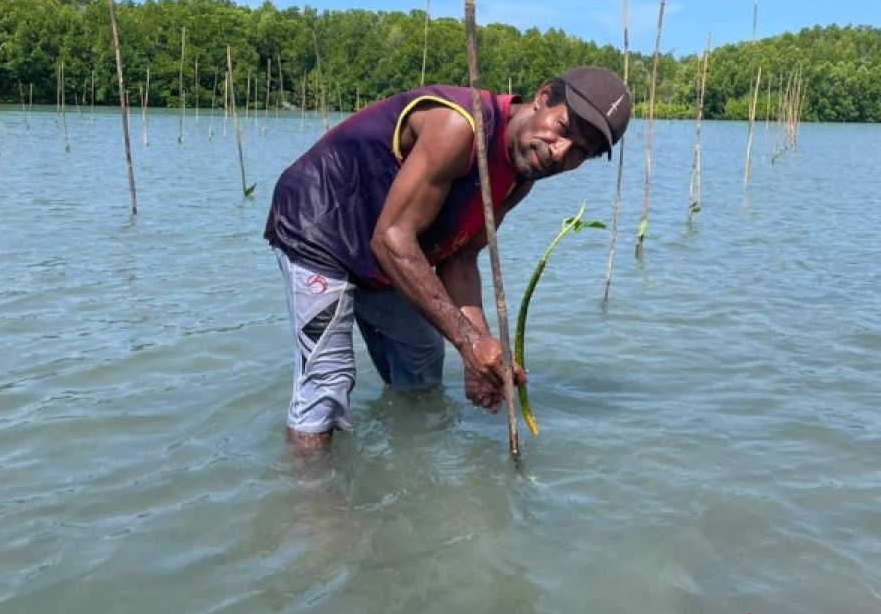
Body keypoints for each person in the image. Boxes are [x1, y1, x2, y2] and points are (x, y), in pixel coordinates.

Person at [264, 66, 631, 446]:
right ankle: (313, 500)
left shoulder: (522, 175)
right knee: (327, 381)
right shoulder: (460, 126)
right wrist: (469, 342)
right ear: (543, 97)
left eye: (581, 152)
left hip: (389, 246)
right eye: (565, 129)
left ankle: (411, 472)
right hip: (321, 226)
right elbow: (391, 239)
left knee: (422, 363)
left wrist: (482, 357)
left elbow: (461, 257)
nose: (560, 153)